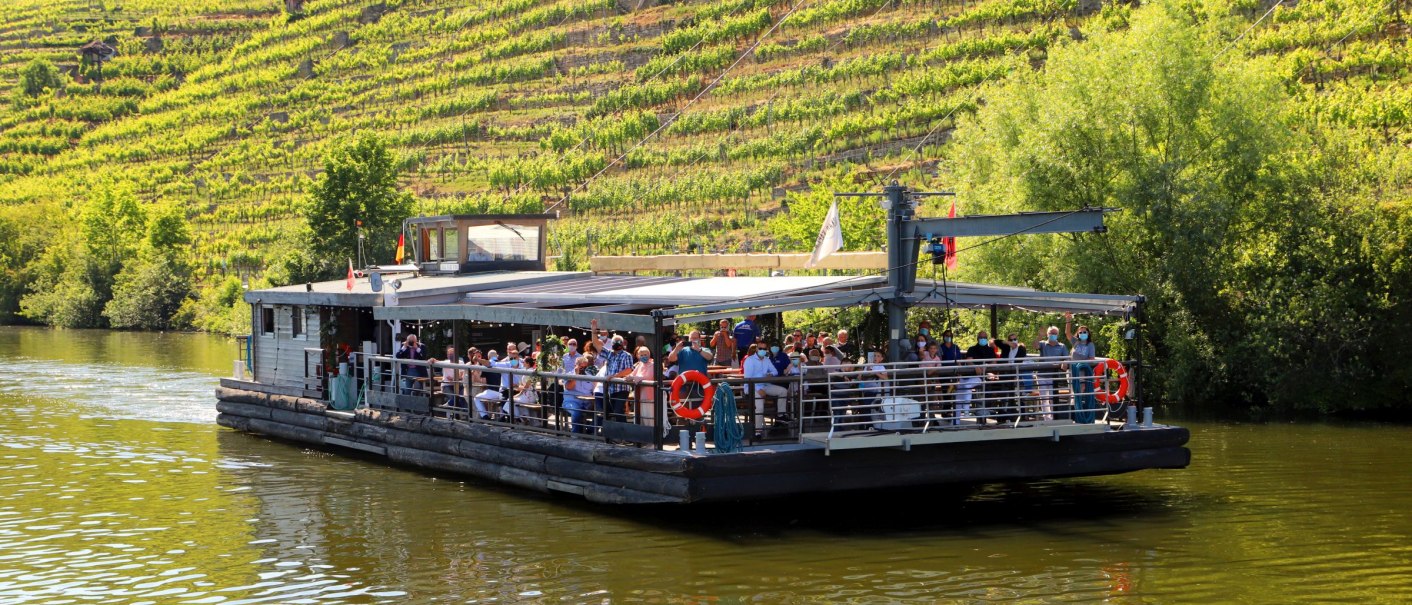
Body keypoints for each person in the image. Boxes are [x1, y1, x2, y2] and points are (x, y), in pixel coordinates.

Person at [741, 343, 788, 438]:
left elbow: (775, 371)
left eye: (764, 348)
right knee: (760, 407)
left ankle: (780, 415)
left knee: (783, 391)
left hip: (765, 385)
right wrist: (758, 389)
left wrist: (770, 374)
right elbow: (748, 379)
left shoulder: (767, 360)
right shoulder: (749, 360)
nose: (762, 350)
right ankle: (757, 432)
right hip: (751, 387)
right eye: (760, 348)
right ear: (757, 349)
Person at [1066, 313, 1098, 424]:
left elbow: (1092, 359)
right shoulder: (1075, 342)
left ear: (1088, 333)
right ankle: (1074, 416)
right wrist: (1068, 320)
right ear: (1078, 334)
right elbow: (1067, 333)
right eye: (1081, 332)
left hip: (1083, 371)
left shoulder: (1090, 345)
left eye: (1085, 332)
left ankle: (1083, 415)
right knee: (1073, 391)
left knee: (1081, 391)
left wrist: (1082, 363)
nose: (1083, 333)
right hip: (1072, 370)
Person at [629, 346, 666, 436]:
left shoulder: (653, 365)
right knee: (642, 415)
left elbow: (650, 376)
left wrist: (637, 378)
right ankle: (643, 435)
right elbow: (632, 374)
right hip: (641, 395)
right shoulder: (639, 365)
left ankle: (653, 435)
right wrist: (629, 377)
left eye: (645, 354)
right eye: (641, 355)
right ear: (638, 356)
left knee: (650, 416)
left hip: (651, 395)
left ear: (649, 354)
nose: (644, 356)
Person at [965, 331, 1000, 423]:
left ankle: (985, 416)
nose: (983, 339)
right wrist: (975, 367)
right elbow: (969, 361)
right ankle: (980, 418)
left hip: (987, 377)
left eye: (984, 337)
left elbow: (994, 362)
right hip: (974, 377)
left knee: (988, 393)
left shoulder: (990, 350)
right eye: (981, 337)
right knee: (978, 395)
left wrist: (986, 367)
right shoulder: (972, 349)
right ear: (978, 338)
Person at [1035, 325, 1068, 421]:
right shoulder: (1043, 344)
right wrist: (1039, 336)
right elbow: (1035, 345)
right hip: (1041, 375)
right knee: (1044, 398)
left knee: (1053, 398)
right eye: (1051, 333)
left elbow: (1066, 358)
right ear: (1047, 334)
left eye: (1055, 333)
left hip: (1054, 376)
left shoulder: (1062, 346)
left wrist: (1064, 362)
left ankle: (1054, 418)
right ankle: (1047, 419)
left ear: (1057, 335)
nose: (1053, 335)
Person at [602, 336, 635, 425]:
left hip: (622, 388)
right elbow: (596, 345)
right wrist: (594, 331)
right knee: (616, 411)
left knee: (618, 410)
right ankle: (620, 433)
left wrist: (614, 376)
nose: (617, 343)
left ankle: (624, 433)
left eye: (619, 341)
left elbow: (629, 369)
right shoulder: (609, 354)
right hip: (611, 388)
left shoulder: (626, 355)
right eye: (615, 341)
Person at [563, 355, 598, 434]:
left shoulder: (590, 376)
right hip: (572, 401)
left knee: (601, 411)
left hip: (587, 403)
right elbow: (569, 387)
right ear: (576, 365)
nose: (583, 369)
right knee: (576, 412)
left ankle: (590, 432)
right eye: (581, 367)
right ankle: (575, 434)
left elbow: (595, 389)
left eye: (585, 367)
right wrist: (576, 375)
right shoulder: (569, 375)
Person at [474, 349, 505, 420]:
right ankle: (502, 416)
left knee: (477, 398)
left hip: (492, 391)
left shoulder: (486, 366)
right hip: (503, 392)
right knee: (501, 400)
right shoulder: (502, 364)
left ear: (488, 357)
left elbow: (483, 381)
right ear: (497, 356)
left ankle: (485, 416)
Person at [510, 357, 540, 426]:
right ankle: (523, 417)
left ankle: (520, 418)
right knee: (512, 400)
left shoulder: (530, 372)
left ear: (528, 363)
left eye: (524, 362)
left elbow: (526, 386)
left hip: (529, 395)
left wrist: (519, 391)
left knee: (511, 400)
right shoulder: (527, 371)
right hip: (528, 394)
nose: (523, 363)